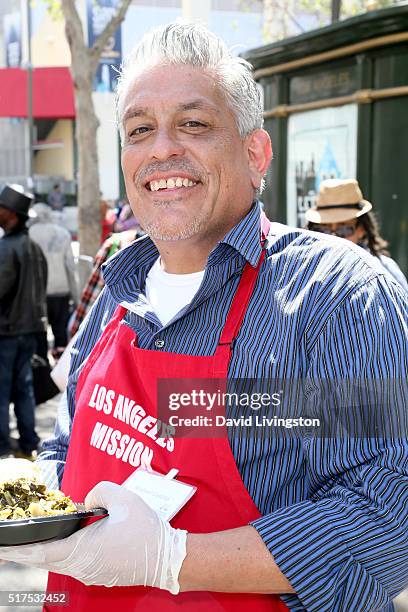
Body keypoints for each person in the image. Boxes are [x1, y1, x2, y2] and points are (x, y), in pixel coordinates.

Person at [0, 22, 407, 612]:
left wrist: (171, 558)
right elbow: (65, 446)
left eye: (193, 123)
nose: (162, 148)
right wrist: (33, 510)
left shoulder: (337, 295)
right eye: (140, 129)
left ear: (255, 152)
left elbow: (387, 517)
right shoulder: (119, 287)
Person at [0, 184, 47, 459]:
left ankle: (4, 445)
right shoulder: (34, 248)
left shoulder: (7, 248)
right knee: (24, 389)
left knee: (4, 390)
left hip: (6, 333)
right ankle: (29, 440)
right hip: (30, 331)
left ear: (13, 214)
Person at [306, 178, 408, 290]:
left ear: (362, 229)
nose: (333, 237)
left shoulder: (385, 271)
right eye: (323, 230)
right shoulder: (304, 269)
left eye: (344, 229)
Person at [29, 203, 79, 360]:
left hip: (38, 293)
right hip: (61, 290)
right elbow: (71, 268)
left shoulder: (29, 234)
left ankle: (42, 371)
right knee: (60, 333)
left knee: (40, 335)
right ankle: (61, 370)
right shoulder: (63, 233)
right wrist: (76, 297)